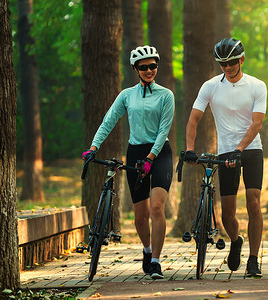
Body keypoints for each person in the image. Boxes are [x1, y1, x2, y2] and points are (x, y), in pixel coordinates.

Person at [81, 45, 174, 280]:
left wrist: (151, 158)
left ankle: (155, 262)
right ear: (135, 69)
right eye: (144, 67)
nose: (150, 70)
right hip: (135, 153)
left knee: (156, 208)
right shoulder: (126, 95)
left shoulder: (166, 95)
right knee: (140, 216)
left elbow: (164, 131)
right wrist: (93, 147)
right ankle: (146, 250)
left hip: (160, 152)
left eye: (153, 66)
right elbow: (109, 120)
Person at [184, 37, 267, 277]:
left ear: (241, 59)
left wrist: (239, 149)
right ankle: (235, 239)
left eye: (231, 62)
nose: (227, 67)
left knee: (254, 202)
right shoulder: (210, 86)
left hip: (251, 150)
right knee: (227, 213)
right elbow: (193, 119)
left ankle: (253, 260)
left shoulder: (257, 85)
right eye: (222, 63)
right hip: (225, 153)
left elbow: (257, 123)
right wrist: (190, 148)